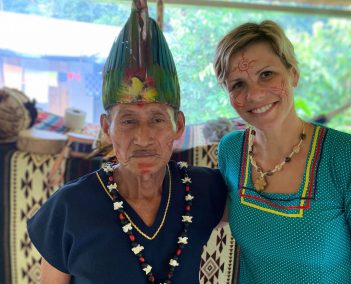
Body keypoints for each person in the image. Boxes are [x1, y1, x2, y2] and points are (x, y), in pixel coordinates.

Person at [27, 1, 226, 283]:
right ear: (107, 128)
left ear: (178, 126)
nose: (142, 138)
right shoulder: (69, 207)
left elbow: (267, 213)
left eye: (157, 119)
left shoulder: (204, 189)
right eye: (128, 121)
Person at [213, 20, 351, 283]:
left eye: (266, 74)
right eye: (238, 84)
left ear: (293, 74)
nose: (254, 94)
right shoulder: (231, 151)